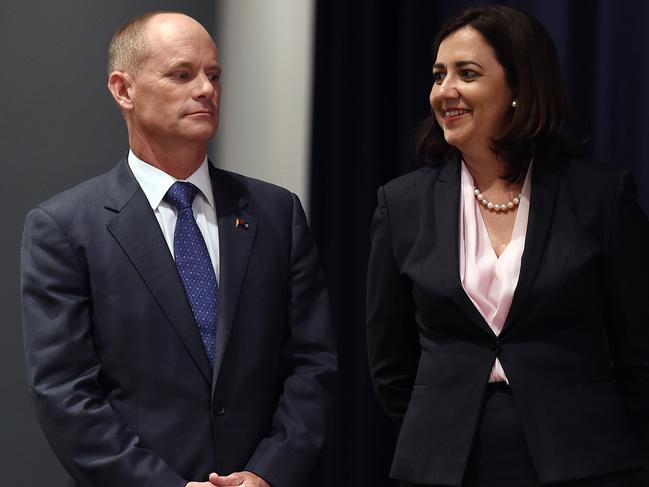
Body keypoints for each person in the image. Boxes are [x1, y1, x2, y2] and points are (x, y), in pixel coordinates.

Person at [21, 11, 336, 487]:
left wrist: (268, 472)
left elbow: (313, 365)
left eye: (214, 75)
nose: (207, 89)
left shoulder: (276, 213)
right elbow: (65, 392)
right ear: (123, 90)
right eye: (182, 74)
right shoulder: (63, 227)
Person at [366, 5, 648, 487]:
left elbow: (639, 350)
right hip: (443, 466)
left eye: (467, 74)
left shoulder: (600, 196)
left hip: (585, 463)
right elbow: (390, 364)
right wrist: (439, 425)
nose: (445, 91)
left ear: (519, 87)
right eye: (438, 76)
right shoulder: (402, 204)